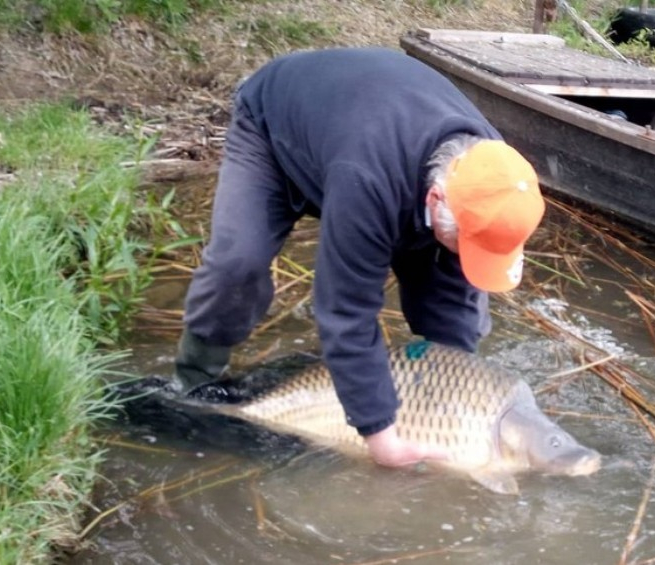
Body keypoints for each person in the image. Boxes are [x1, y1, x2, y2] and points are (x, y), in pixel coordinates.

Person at [174, 47, 545, 468]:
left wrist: (453, 409)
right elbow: (345, 311)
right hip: (274, 129)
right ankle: (191, 386)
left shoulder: (494, 174)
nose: (472, 257)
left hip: (366, 140)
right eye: (470, 243)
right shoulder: (368, 180)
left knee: (454, 311)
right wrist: (379, 434)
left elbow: (456, 300)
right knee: (236, 266)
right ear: (436, 199)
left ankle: (411, 404)